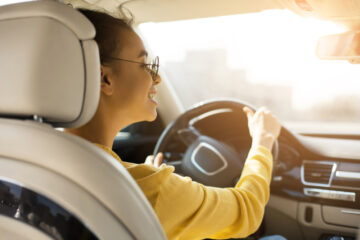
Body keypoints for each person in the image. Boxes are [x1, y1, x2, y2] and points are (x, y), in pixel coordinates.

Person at [65, 8, 283, 240]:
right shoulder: (149, 191)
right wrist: (262, 142)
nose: (156, 78)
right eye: (144, 65)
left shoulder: (32, 159)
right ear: (104, 78)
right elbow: (248, 210)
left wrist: (146, 181)